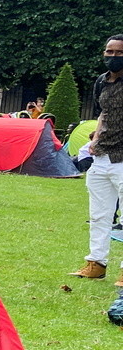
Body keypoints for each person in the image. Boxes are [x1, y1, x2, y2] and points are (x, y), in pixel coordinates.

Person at [71, 34, 123, 284]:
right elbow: (102, 112)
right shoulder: (101, 81)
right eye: (109, 52)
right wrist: (95, 140)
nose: (112, 57)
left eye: (118, 53)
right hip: (101, 156)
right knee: (100, 214)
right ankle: (96, 263)